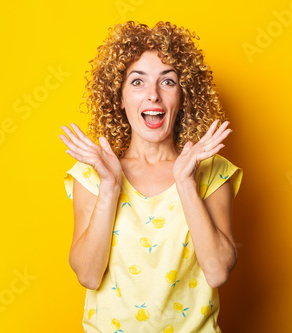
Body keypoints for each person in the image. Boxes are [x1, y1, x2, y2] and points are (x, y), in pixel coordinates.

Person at [59, 21, 243, 332]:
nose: (153, 96)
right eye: (137, 82)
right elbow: (88, 275)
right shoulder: (92, 175)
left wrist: (186, 183)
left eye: (168, 82)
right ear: (119, 97)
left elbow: (217, 272)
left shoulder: (212, 172)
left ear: (183, 97)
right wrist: (110, 187)